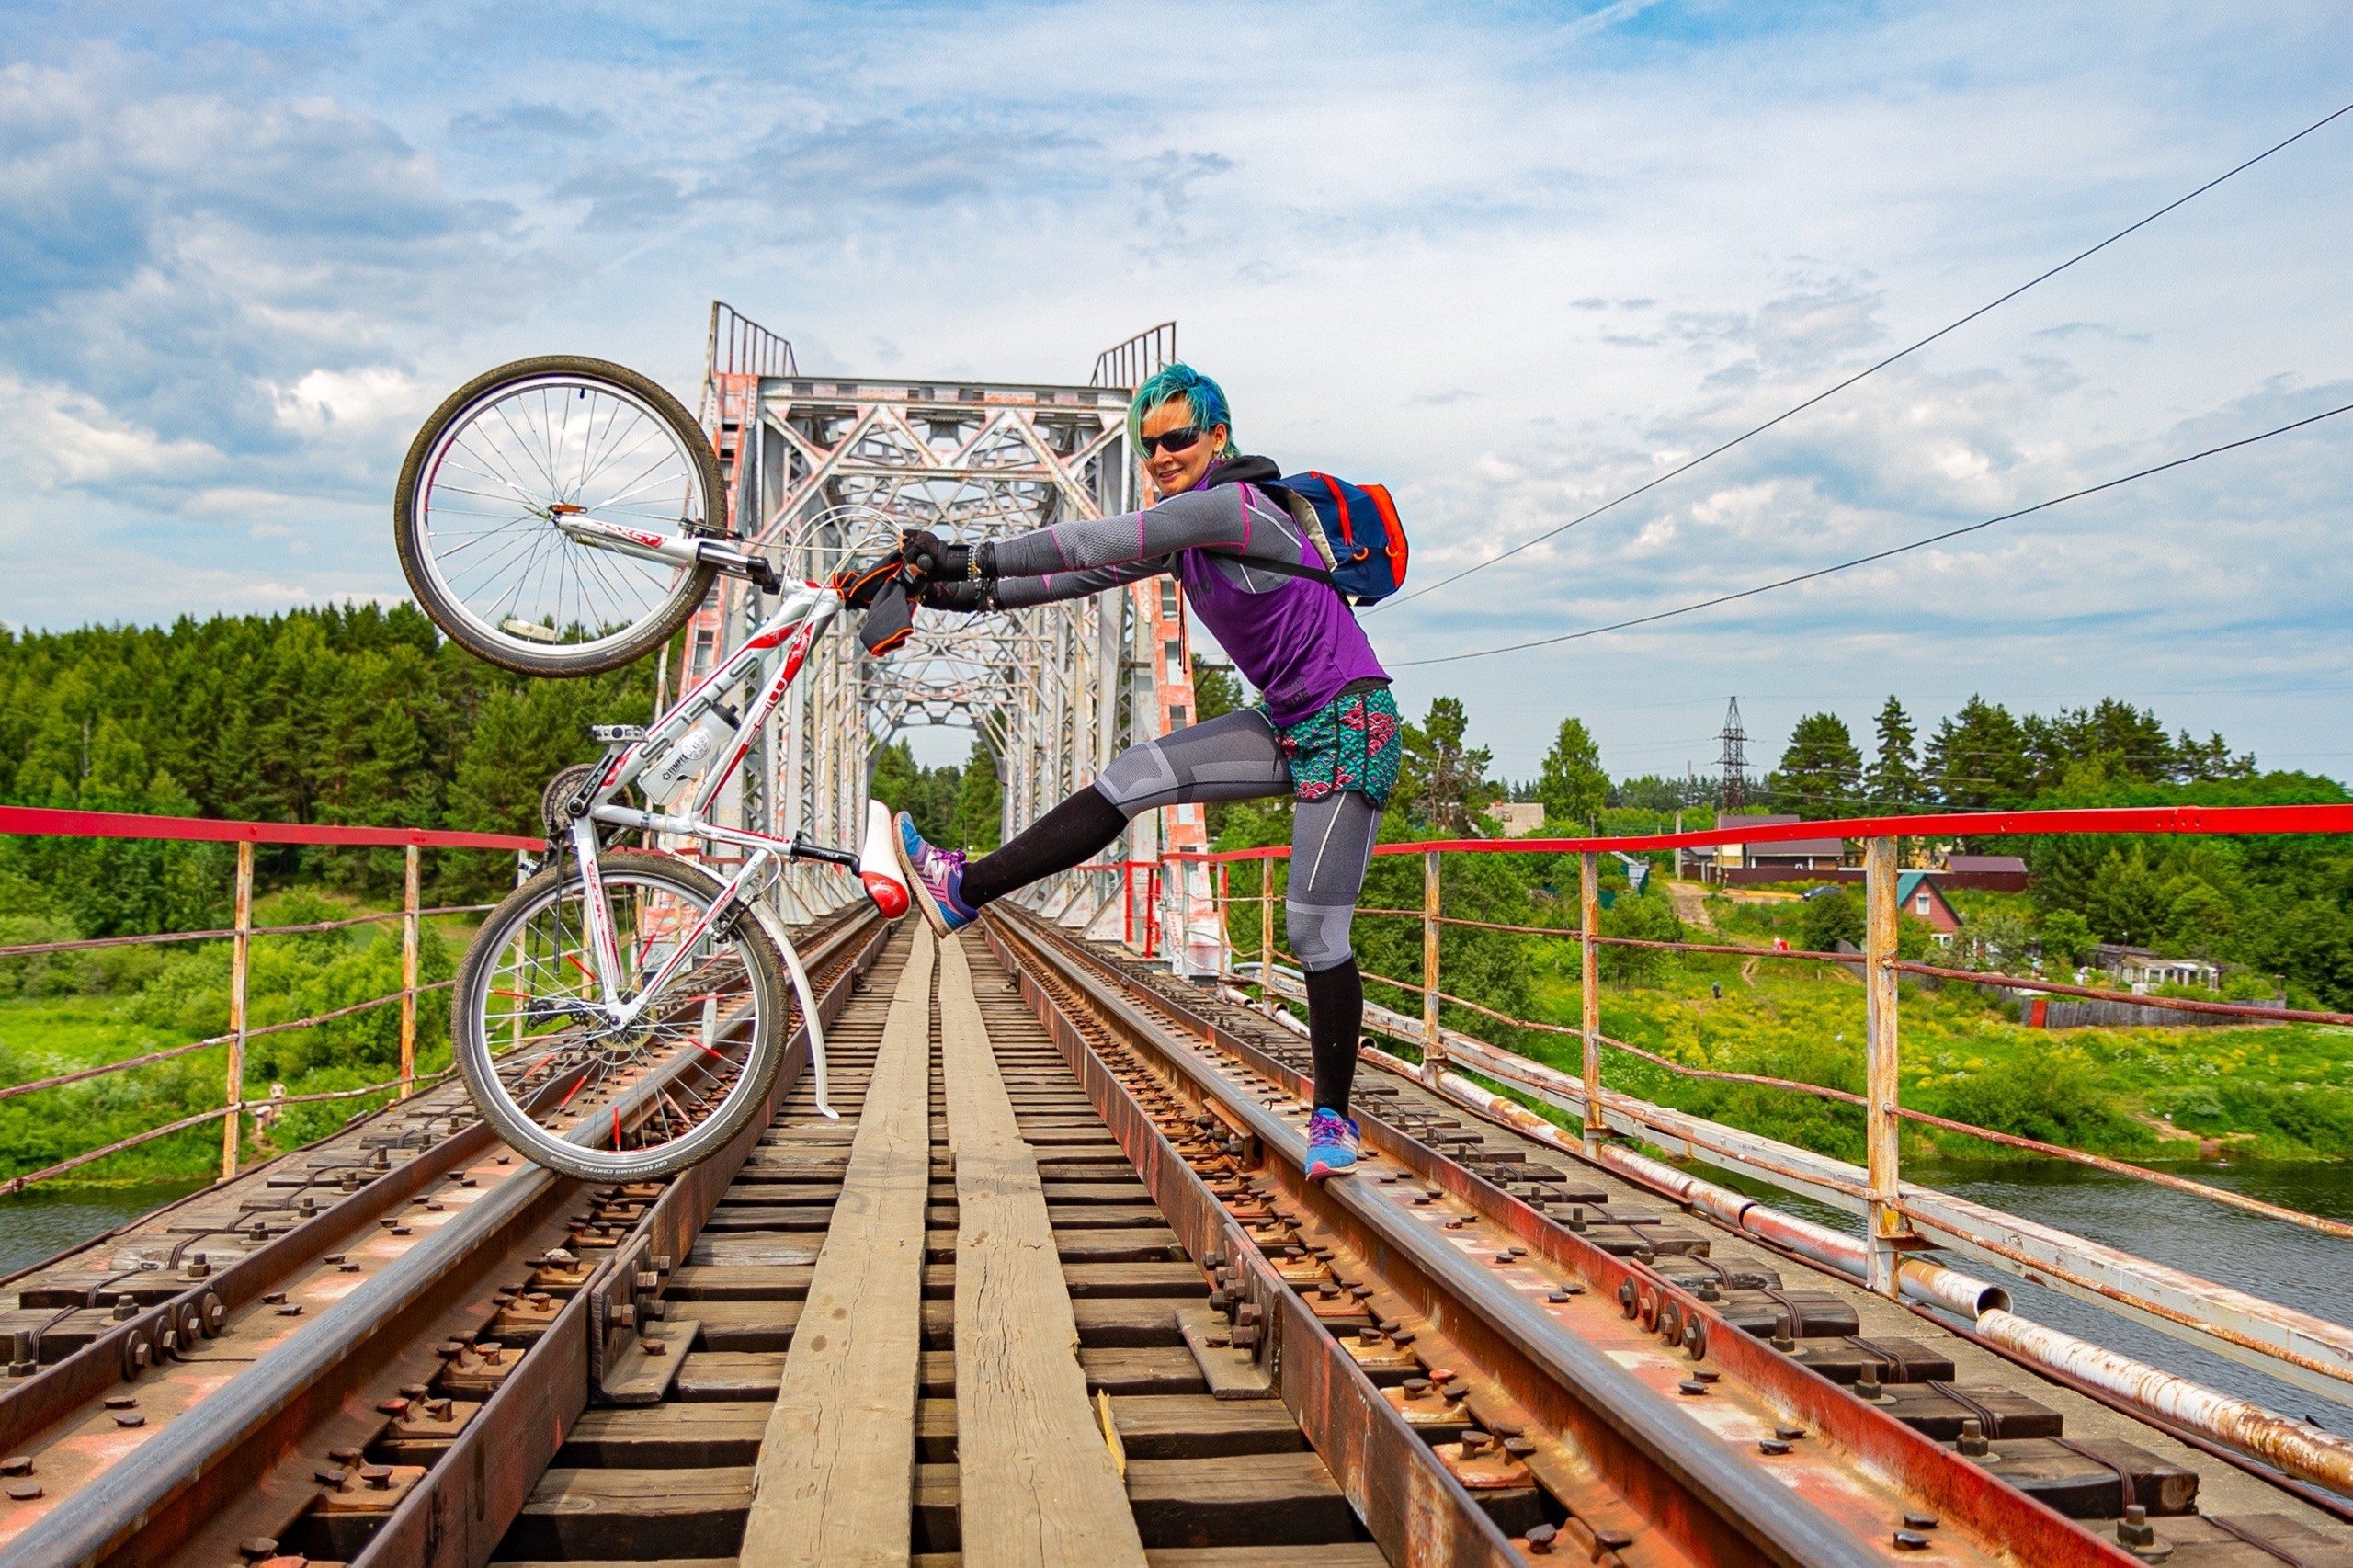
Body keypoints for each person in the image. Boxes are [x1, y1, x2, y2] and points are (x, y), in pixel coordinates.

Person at [887, 363, 1399, 1180]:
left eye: (1178, 439)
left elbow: (1091, 539)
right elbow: (1071, 576)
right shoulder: (1188, 537)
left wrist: (964, 552)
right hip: (1287, 720)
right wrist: (946, 589)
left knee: (1313, 930)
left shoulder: (1228, 509)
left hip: (1350, 720)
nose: (1160, 455)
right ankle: (962, 890)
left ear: (1218, 438)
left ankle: (1334, 1118)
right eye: (1147, 443)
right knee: (1136, 775)